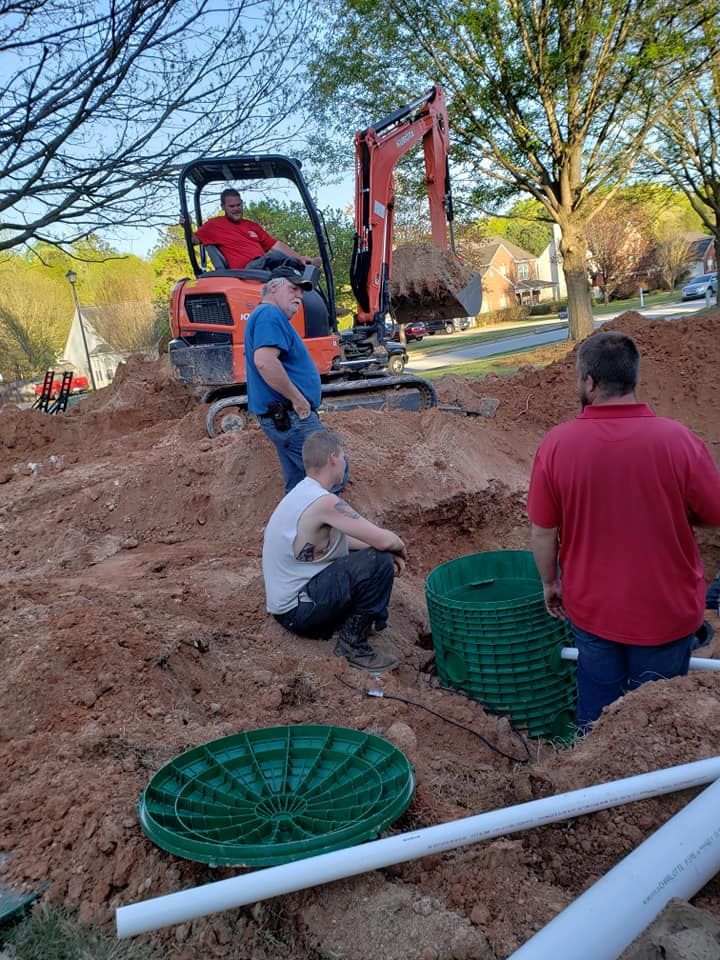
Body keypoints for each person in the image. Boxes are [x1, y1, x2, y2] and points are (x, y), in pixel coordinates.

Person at [527, 331, 720, 731]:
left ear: (589, 382)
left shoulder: (557, 445)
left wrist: (550, 583)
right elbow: (715, 512)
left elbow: (543, 531)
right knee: (659, 722)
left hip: (593, 609)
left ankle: (597, 784)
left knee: (599, 722)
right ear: (633, 379)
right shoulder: (677, 440)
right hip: (667, 609)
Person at [263, 429, 406, 673]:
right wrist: (400, 548)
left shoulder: (302, 494)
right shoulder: (325, 502)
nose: (345, 462)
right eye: (343, 456)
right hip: (298, 612)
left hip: (288, 607)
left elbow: (344, 541)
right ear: (332, 457)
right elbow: (383, 540)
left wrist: (380, 547)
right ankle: (352, 645)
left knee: (370, 556)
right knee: (379, 561)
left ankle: (360, 622)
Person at [245, 263, 347, 493]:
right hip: (292, 417)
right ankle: (326, 529)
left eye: (302, 291)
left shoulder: (264, 316)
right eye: (293, 288)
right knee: (332, 473)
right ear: (273, 287)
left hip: (284, 417)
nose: (300, 296)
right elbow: (265, 361)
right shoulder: (269, 314)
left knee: (300, 485)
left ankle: (296, 528)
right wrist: (298, 400)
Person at [187, 189, 319, 270]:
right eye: (232, 206)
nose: (236, 209)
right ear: (223, 207)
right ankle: (305, 267)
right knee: (275, 257)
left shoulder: (251, 226)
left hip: (263, 267)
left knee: (283, 268)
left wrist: (299, 257)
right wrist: (186, 225)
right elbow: (193, 240)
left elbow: (275, 244)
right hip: (247, 271)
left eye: (239, 205)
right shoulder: (214, 225)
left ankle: (304, 267)